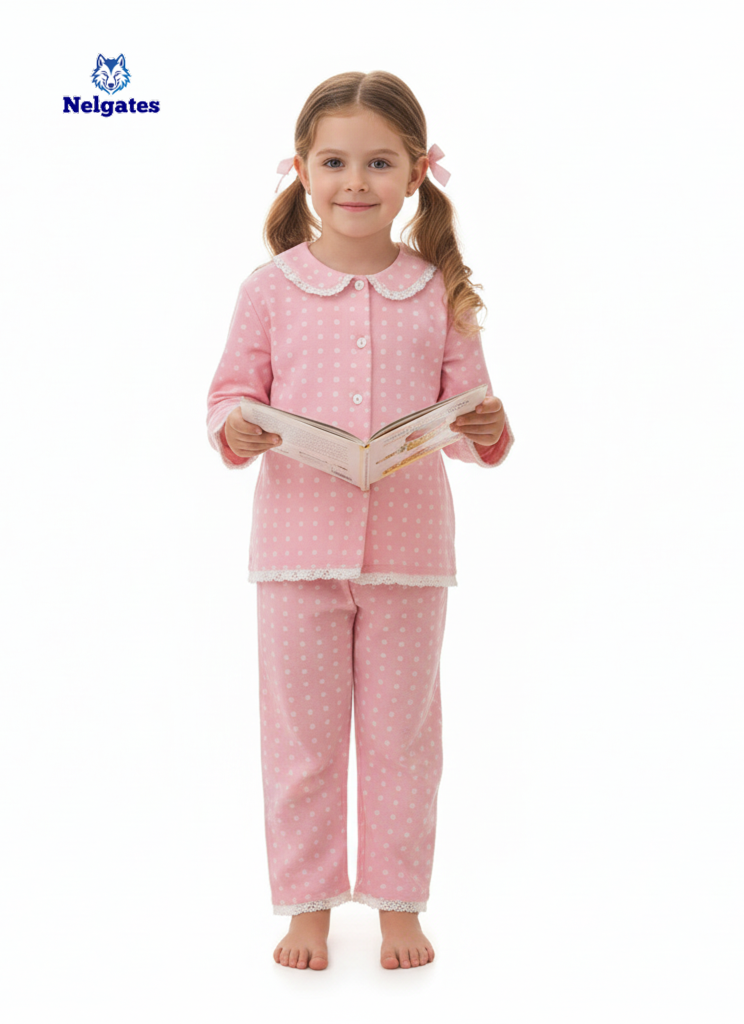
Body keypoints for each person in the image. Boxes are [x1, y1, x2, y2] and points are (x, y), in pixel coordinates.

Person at [205, 70, 514, 972]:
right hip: (293, 554)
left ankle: (397, 906)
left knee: (403, 742)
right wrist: (236, 427)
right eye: (335, 161)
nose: (355, 181)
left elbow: (470, 414)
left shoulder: (438, 290)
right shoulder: (269, 290)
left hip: (411, 559)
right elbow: (228, 395)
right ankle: (306, 907)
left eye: (379, 163)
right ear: (301, 168)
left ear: (416, 172)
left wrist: (486, 425)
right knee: (300, 743)